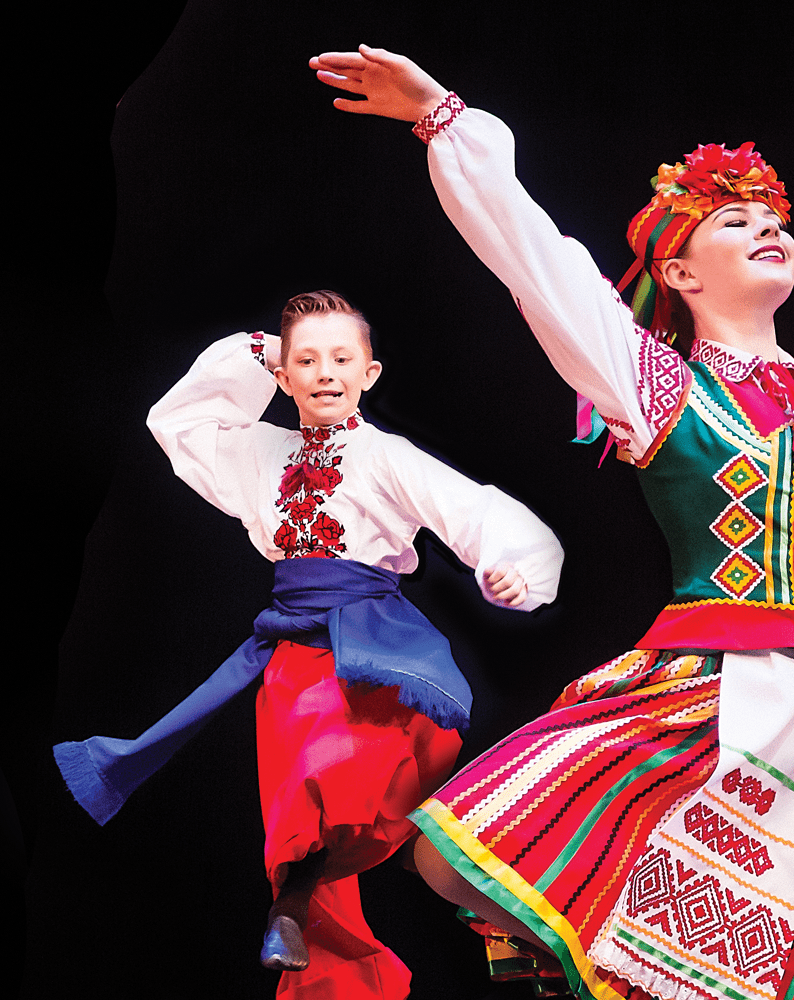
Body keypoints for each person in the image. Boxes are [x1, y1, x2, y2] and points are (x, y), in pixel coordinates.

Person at [308, 45, 794, 1000]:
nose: (768, 228)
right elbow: (542, 266)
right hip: (698, 697)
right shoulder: (656, 388)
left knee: (710, 978)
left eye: (774, 219)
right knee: (464, 853)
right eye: (737, 222)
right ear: (681, 271)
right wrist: (444, 118)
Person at [53, 290, 565, 999]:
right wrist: (256, 352)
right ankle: (302, 914)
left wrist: (511, 569)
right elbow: (180, 422)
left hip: (377, 647)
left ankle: (308, 905)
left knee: (362, 778)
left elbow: (470, 507)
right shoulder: (261, 453)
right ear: (284, 375)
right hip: (294, 648)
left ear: (370, 372)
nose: (326, 373)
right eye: (306, 360)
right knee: (307, 798)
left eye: (342, 358)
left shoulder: (386, 456)